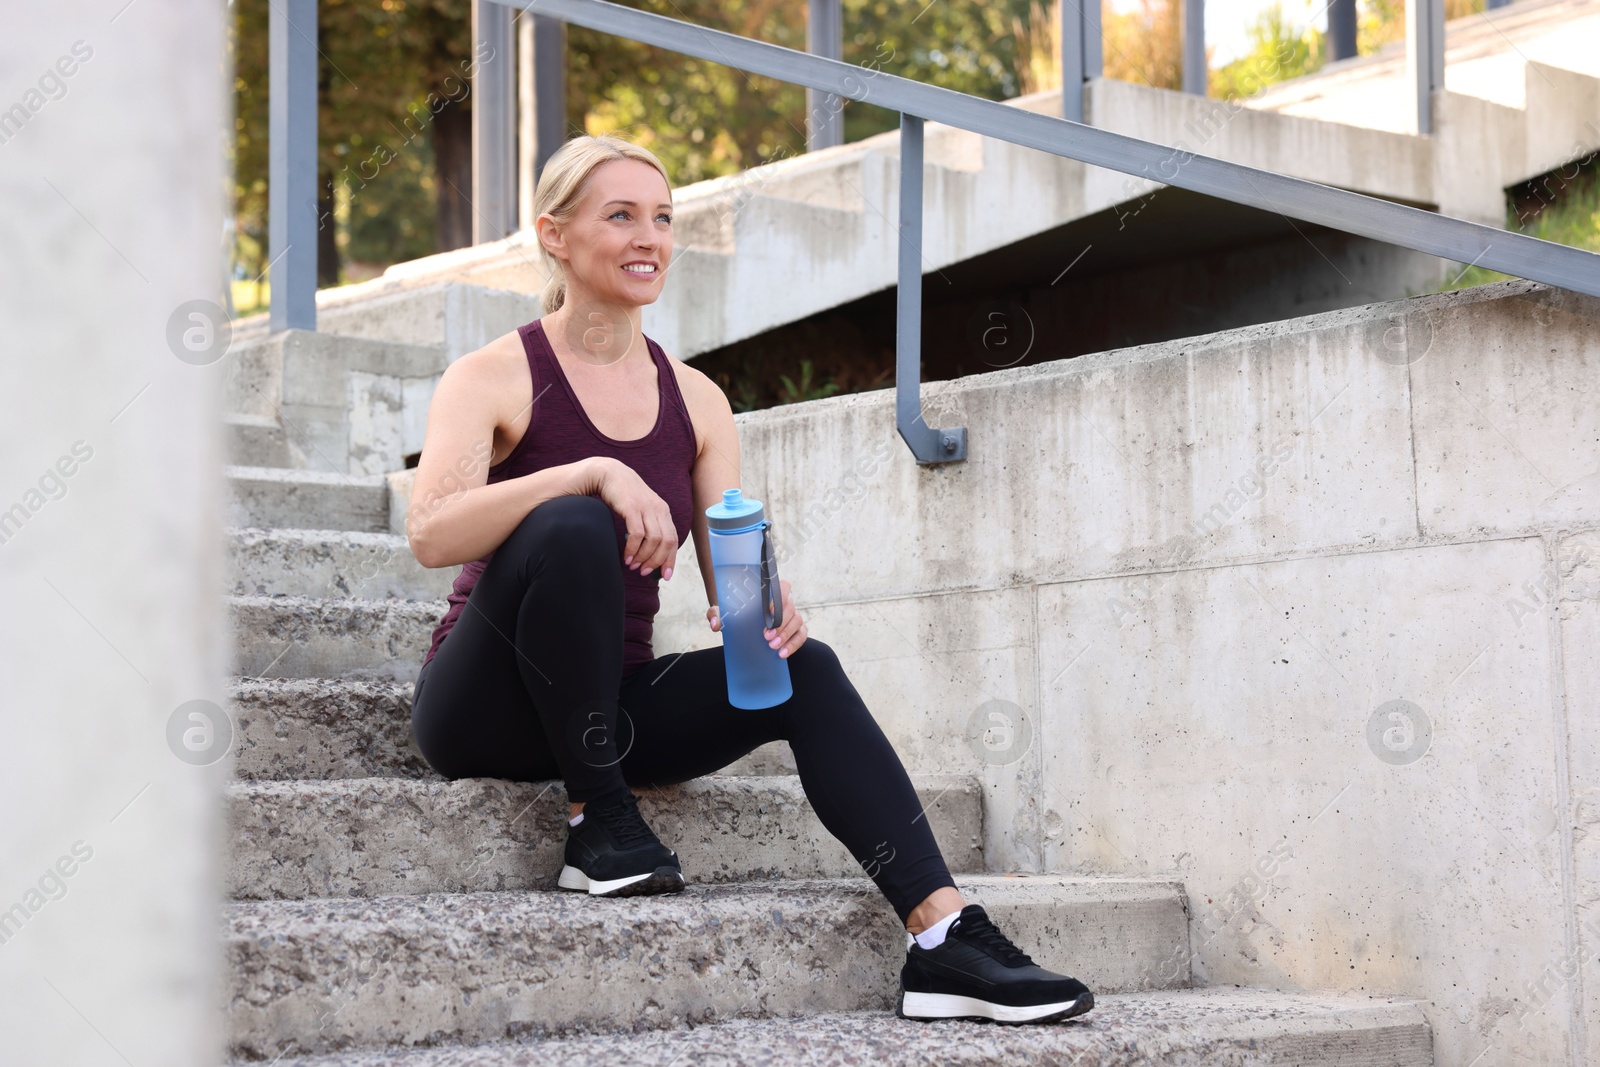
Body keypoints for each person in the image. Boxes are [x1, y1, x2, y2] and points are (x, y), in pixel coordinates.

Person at [405, 132, 1093, 1025]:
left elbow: (730, 546)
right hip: (483, 706)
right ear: (555, 235)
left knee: (804, 666)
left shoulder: (695, 399)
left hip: (608, 708)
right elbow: (430, 531)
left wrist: (763, 607)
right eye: (620, 215)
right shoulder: (493, 375)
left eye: (662, 217)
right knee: (574, 518)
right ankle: (597, 822)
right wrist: (590, 473)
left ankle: (943, 939)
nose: (649, 236)